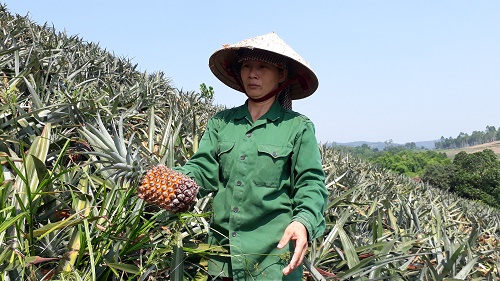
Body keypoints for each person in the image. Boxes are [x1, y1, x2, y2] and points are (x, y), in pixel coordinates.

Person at [175, 32, 327, 280]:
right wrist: (176, 181)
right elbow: (202, 168)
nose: (252, 74)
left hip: (273, 259)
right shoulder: (222, 123)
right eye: (247, 66)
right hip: (223, 255)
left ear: (282, 75)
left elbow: (310, 183)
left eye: (262, 67)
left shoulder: (297, 127)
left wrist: (303, 221)